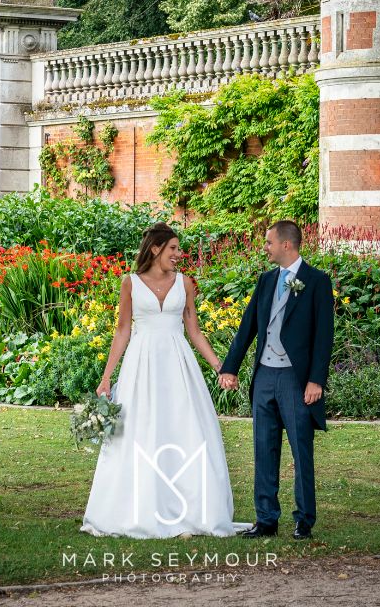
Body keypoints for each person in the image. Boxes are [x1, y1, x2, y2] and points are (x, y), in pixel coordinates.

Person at [80, 222, 254, 538]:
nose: (178, 254)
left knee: (185, 427)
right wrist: (107, 378)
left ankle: (190, 508)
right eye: (173, 248)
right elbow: (122, 330)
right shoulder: (130, 283)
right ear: (156, 248)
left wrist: (220, 367)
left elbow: (194, 331)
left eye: (178, 248)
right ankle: (140, 508)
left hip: (178, 363)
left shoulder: (184, 283)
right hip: (141, 365)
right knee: (140, 431)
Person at [218, 219, 334, 540]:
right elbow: (247, 328)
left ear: (286, 245)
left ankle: (303, 519)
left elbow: (324, 337)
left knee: (301, 450)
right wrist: (230, 367)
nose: (265, 248)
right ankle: (266, 519)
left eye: (269, 242)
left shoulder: (317, 282)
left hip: (296, 381)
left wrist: (316, 380)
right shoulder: (265, 281)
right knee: (263, 448)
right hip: (265, 376)